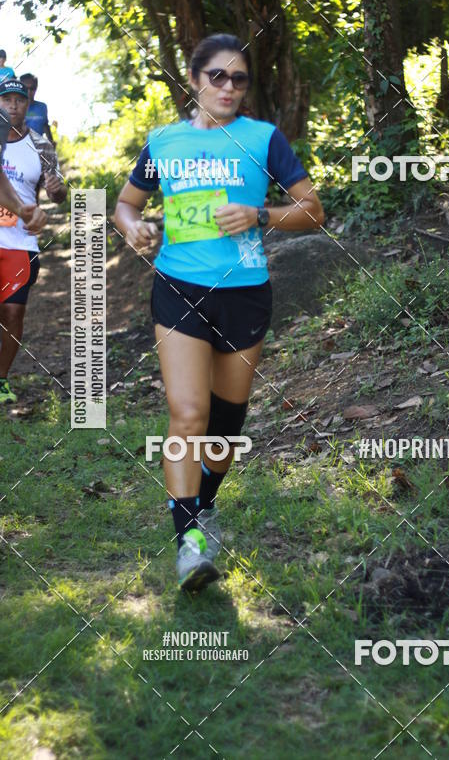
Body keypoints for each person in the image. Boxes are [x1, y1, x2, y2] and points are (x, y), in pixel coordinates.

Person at [114, 33, 325, 591]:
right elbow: (126, 205)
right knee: (188, 414)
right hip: (179, 287)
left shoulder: (263, 138)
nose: (228, 87)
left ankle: (204, 504)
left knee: (226, 426)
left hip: (245, 293)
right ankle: (189, 543)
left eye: (239, 79)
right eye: (217, 76)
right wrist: (134, 227)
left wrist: (260, 215)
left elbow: (312, 210)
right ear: (194, 79)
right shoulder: (164, 142)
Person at [0, 79, 67, 403]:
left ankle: (1, 379)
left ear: (28, 104)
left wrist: (56, 190)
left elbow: (59, 193)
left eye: (19, 100)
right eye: (6, 99)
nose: (13, 105)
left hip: (21, 241)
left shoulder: (41, 145)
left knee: (12, 313)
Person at [20, 74, 54, 144]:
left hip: (38, 147)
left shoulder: (42, 107)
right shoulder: (14, 107)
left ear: (36, 88)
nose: (29, 92)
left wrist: (51, 141)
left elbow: (45, 125)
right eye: (26, 88)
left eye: (32, 88)